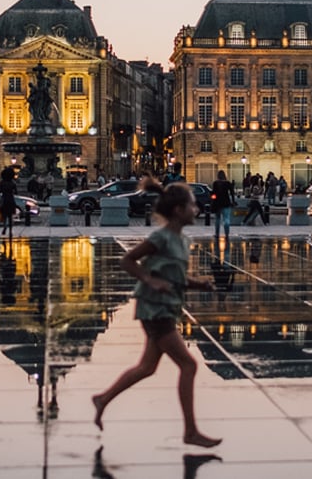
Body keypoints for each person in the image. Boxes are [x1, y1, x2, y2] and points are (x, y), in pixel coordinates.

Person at [91, 178, 221, 448]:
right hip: (155, 309)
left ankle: (103, 399)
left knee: (147, 367)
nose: (196, 210)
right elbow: (127, 260)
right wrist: (149, 280)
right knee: (188, 365)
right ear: (178, 210)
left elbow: (176, 276)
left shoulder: (181, 240)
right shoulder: (160, 237)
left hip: (166, 307)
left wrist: (199, 284)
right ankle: (191, 431)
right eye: (192, 206)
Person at [211, 170, 235, 238]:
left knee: (217, 219)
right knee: (226, 218)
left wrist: (212, 199)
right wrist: (233, 201)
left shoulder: (215, 183)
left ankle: (217, 234)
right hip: (226, 202)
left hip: (217, 203)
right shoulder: (228, 183)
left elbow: (214, 193)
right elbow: (232, 193)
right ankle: (227, 234)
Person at [0, 166, 18, 236]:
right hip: (10, 199)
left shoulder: (2, 182)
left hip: (4, 199)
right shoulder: (12, 183)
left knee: (4, 215)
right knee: (10, 216)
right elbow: (16, 192)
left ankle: (4, 226)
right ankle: (10, 231)